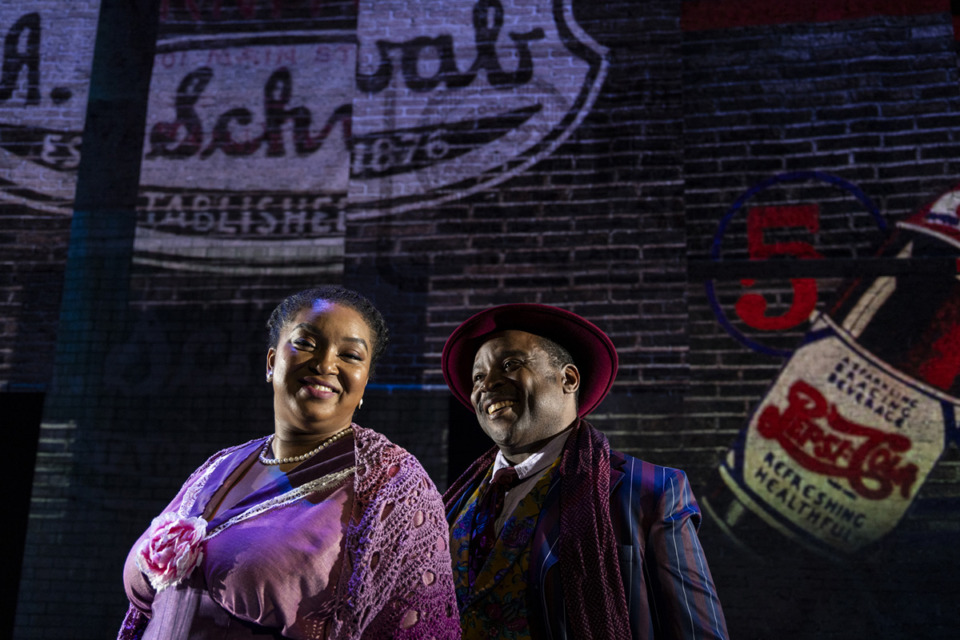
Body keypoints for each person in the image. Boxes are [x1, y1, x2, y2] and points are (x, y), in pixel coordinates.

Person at [119, 286, 460, 639]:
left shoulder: (391, 486)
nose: (326, 363)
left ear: (364, 384)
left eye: (351, 355)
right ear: (271, 363)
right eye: (307, 343)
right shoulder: (218, 467)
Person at [441, 303, 728, 640]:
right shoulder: (452, 504)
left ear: (568, 378)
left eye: (510, 364)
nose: (487, 384)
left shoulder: (651, 491)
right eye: (478, 376)